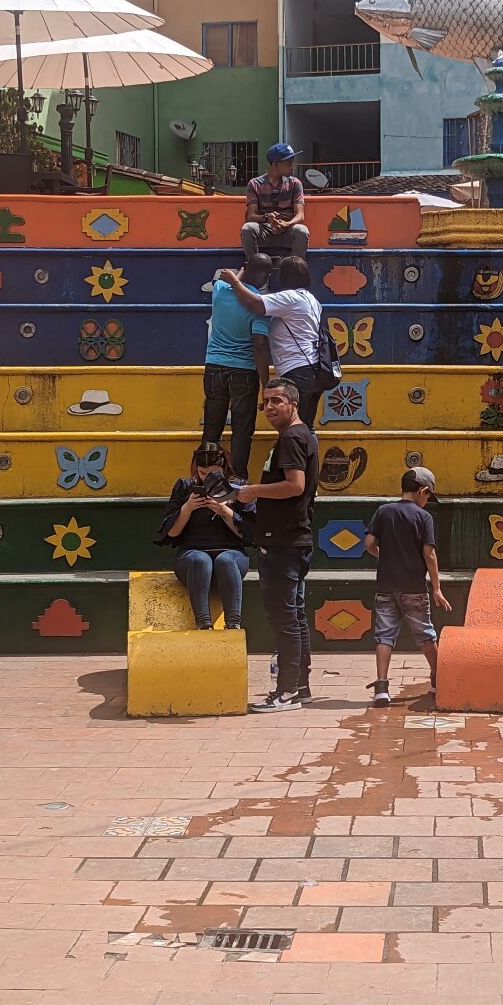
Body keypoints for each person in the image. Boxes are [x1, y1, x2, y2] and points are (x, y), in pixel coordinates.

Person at [235, 379, 318, 713]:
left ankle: (286, 692)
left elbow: (295, 486)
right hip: (290, 540)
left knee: (284, 619)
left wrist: (254, 490)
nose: (269, 407)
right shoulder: (299, 436)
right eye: (265, 402)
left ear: (293, 404)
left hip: (283, 542)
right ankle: (300, 686)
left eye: (277, 401)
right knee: (294, 617)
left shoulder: (293, 438)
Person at [364, 467, 451, 708]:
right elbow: (429, 554)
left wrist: (383, 555)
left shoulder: (383, 511)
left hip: (386, 587)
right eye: (428, 497)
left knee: (384, 636)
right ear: (423, 491)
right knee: (425, 634)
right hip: (414, 587)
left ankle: (381, 686)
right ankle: (437, 677)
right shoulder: (423, 518)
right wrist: (436, 587)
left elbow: (369, 543)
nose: (427, 502)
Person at [217, 256, 324, 429]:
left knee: (293, 427)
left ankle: (294, 457)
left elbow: (256, 304)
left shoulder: (290, 298)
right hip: (313, 370)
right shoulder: (311, 300)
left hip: (296, 371)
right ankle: (308, 457)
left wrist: (235, 282)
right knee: (306, 427)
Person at [155, 443, 252, 629]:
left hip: (231, 553)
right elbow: (172, 532)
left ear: (223, 469)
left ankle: (233, 624)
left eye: (213, 474)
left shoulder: (238, 487)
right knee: (200, 560)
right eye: (202, 473)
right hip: (192, 555)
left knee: (226, 560)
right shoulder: (185, 487)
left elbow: (247, 534)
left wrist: (224, 511)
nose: (207, 479)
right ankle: (203, 623)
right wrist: (188, 508)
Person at [203, 252, 273, 480]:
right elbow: (260, 347)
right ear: (266, 276)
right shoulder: (259, 307)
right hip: (244, 371)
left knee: (212, 428)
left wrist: (239, 273)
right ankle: (238, 477)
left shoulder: (221, 290)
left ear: (245, 267)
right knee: (242, 430)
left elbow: (233, 277)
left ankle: (206, 475)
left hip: (214, 367)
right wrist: (265, 384)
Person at [241, 143, 309, 261]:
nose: (292, 166)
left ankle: (295, 268)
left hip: (287, 231)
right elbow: (251, 216)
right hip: (265, 231)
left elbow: (300, 215)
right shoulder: (255, 184)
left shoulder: (295, 184)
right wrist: (267, 218)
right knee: (247, 229)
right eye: (288, 163)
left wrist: (287, 224)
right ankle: (253, 266)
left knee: (302, 231)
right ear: (275, 164)